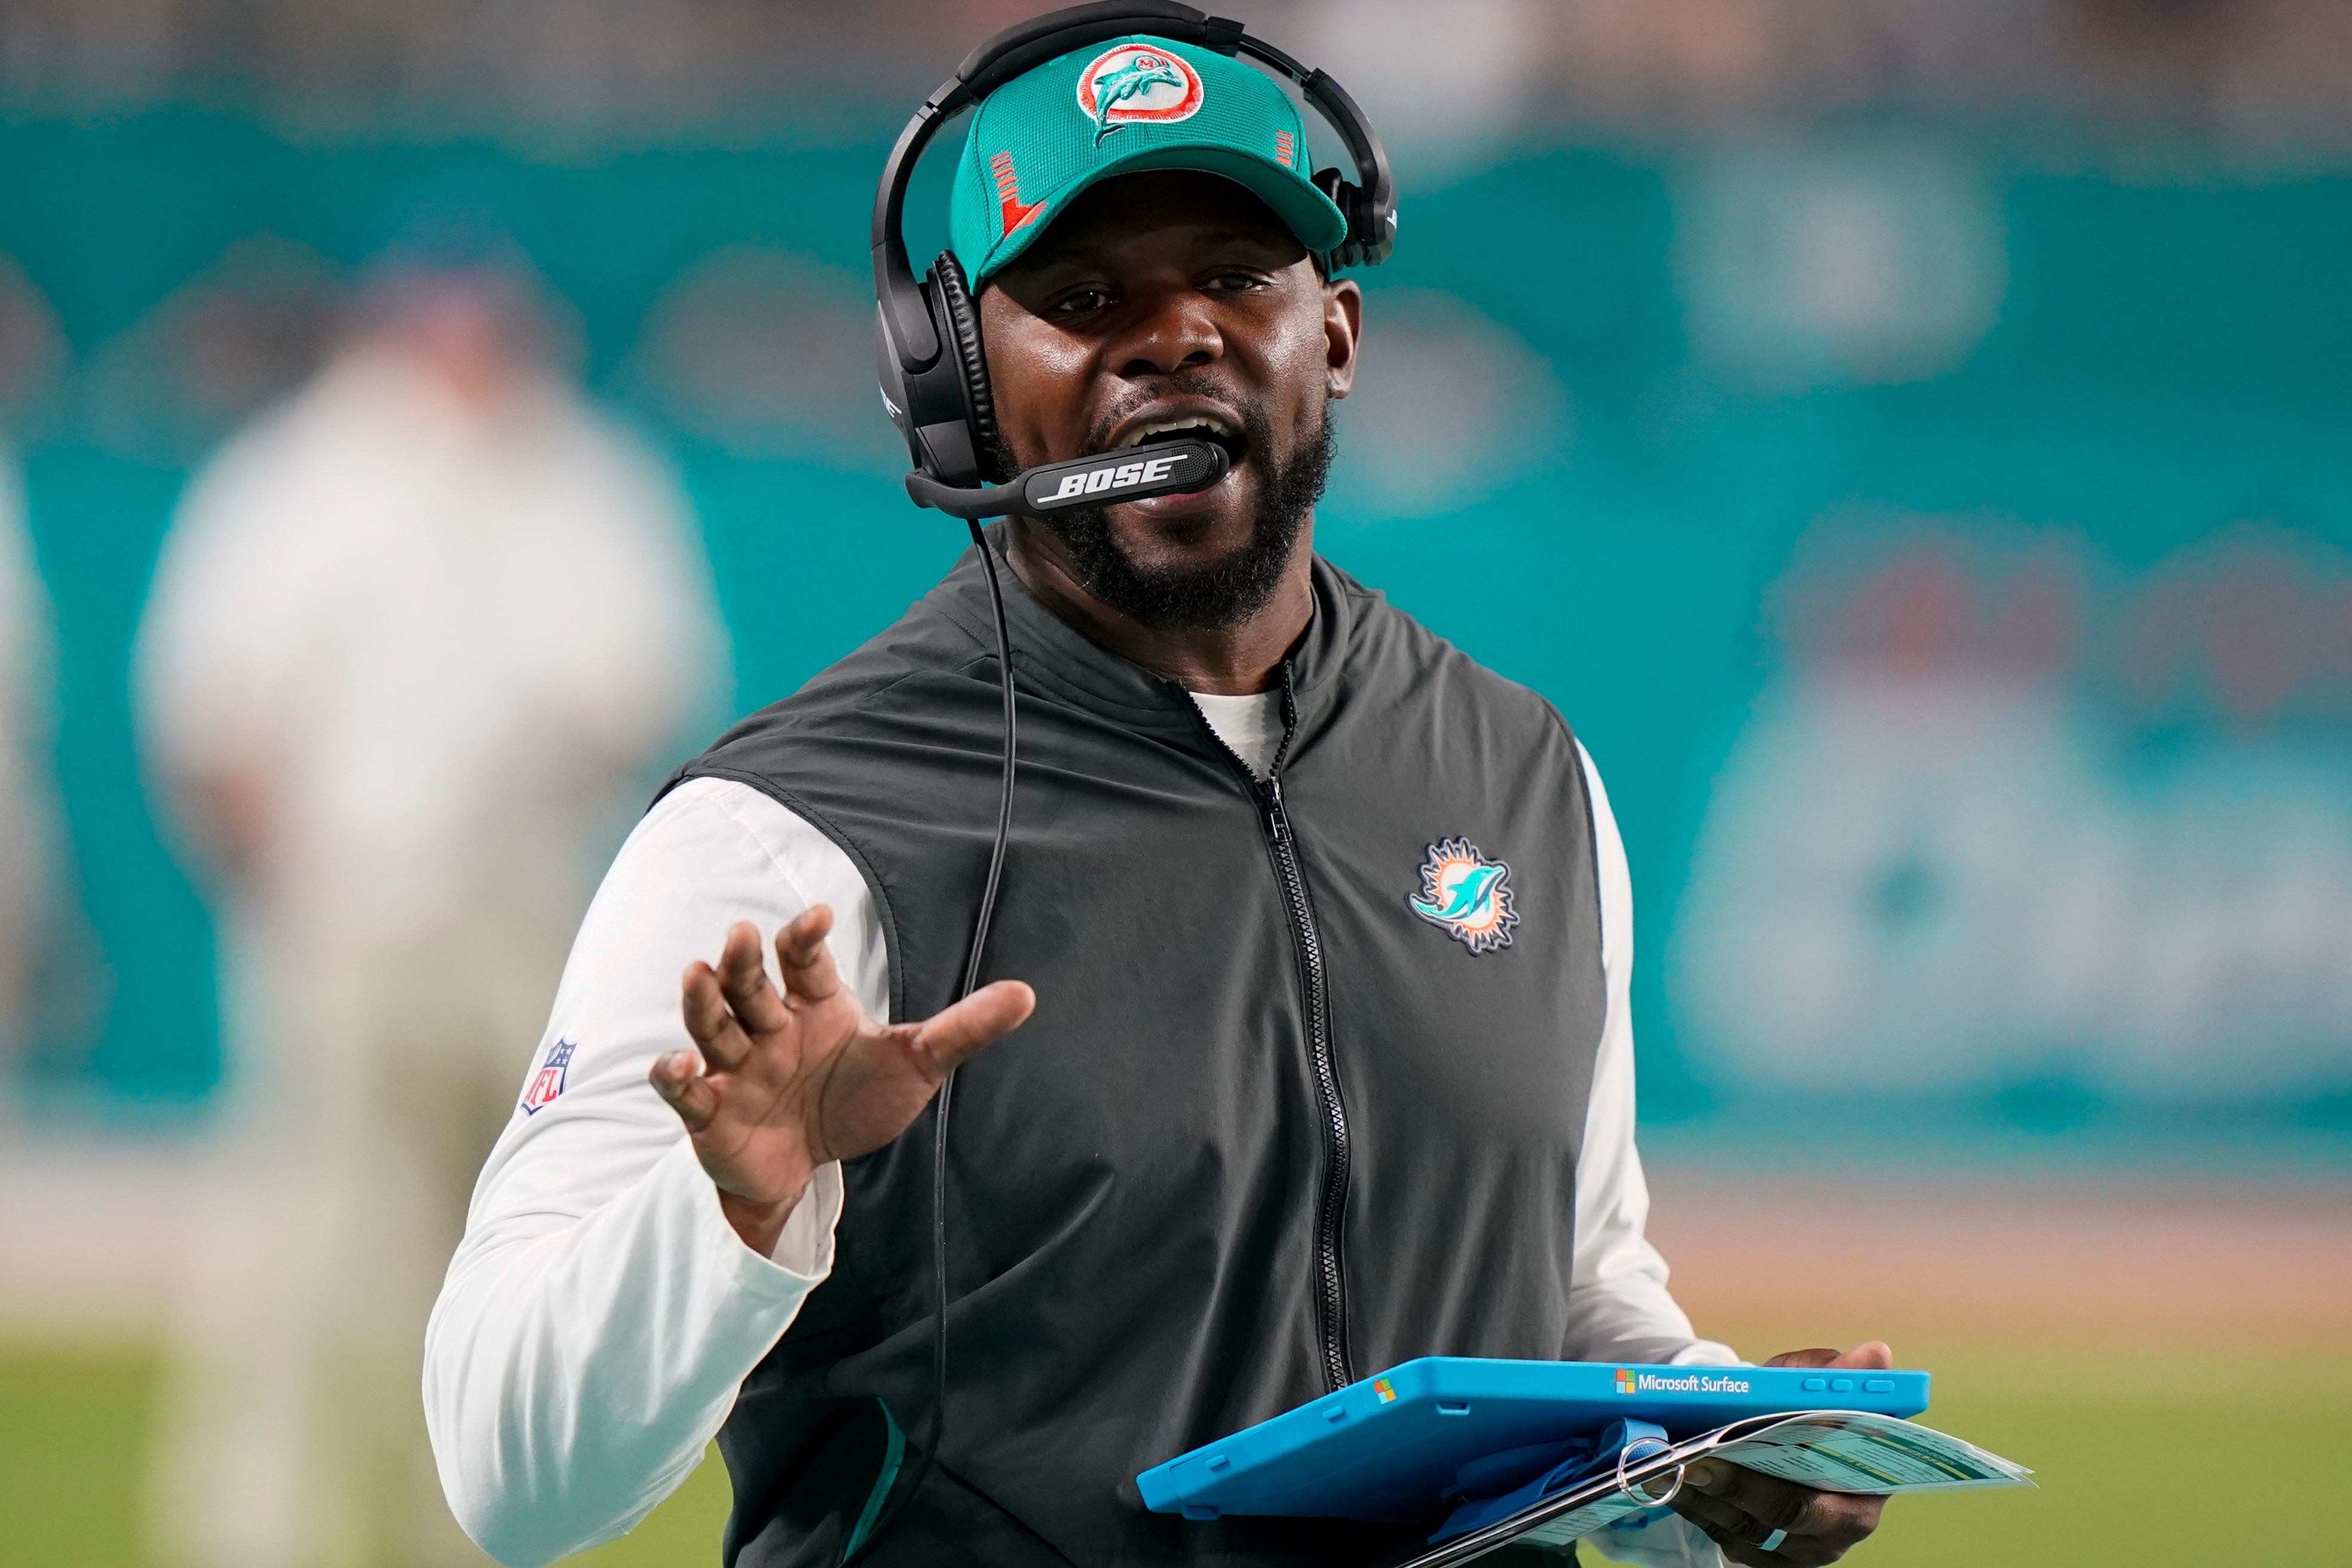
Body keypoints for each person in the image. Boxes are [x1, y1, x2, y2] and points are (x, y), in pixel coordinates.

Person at [427, 23, 1891, 1568]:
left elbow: (1575, 1283)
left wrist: (1705, 1436)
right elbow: (509, 1486)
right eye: (1081, 298)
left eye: (1235, 278)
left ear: (1334, 334)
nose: (1173, 336)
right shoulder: (784, 846)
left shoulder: (1524, 775)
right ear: (960, 383)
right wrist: (736, 1213)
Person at [136, 249, 725, 1568]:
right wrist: (296, 891)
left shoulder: (583, 476)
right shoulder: (296, 480)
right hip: (341, 914)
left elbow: (646, 686)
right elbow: (210, 721)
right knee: (310, 1252)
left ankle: (458, 1535)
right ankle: (254, 1534)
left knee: (507, 1252)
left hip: (521, 915)